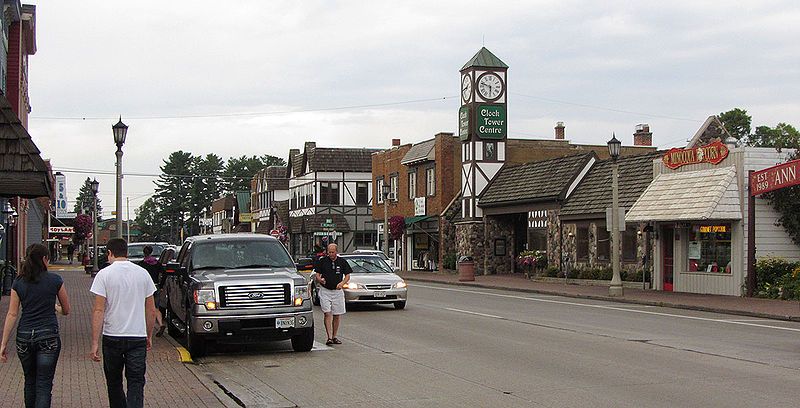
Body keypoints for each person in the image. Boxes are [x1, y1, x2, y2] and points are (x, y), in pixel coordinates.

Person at [1, 243, 71, 408]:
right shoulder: (55, 280)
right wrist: (56, 307)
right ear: (45, 259)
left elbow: (12, 313)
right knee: (44, 383)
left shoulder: (18, 282)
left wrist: (3, 343)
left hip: (24, 336)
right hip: (48, 336)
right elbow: (66, 310)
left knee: (29, 380)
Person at [90, 238, 157, 408]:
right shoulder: (143, 274)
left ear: (110, 253)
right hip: (137, 336)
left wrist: (94, 342)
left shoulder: (104, 274)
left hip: (112, 336)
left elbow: (98, 310)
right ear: (126, 253)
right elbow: (151, 310)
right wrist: (149, 334)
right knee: (136, 381)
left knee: (114, 382)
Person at [313, 243, 351, 346]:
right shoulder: (322, 261)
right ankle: (329, 337)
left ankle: (334, 336)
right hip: (325, 290)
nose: (330, 254)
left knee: (337, 314)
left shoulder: (342, 262)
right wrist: (320, 279)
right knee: (327, 313)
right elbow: (317, 274)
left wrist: (342, 283)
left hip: (337, 291)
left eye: (332, 252)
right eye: (329, 252)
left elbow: (347, 276)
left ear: (336, 252)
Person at [137, 246, 165, 337]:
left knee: (147, 308)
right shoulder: (157, 263)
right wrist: (161, 285)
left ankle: (148, 327)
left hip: (146, 288)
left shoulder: (142, 264)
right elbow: (164, 273)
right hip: (156, 286)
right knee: (156, 308)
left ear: (144, 253)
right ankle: (161, 324)